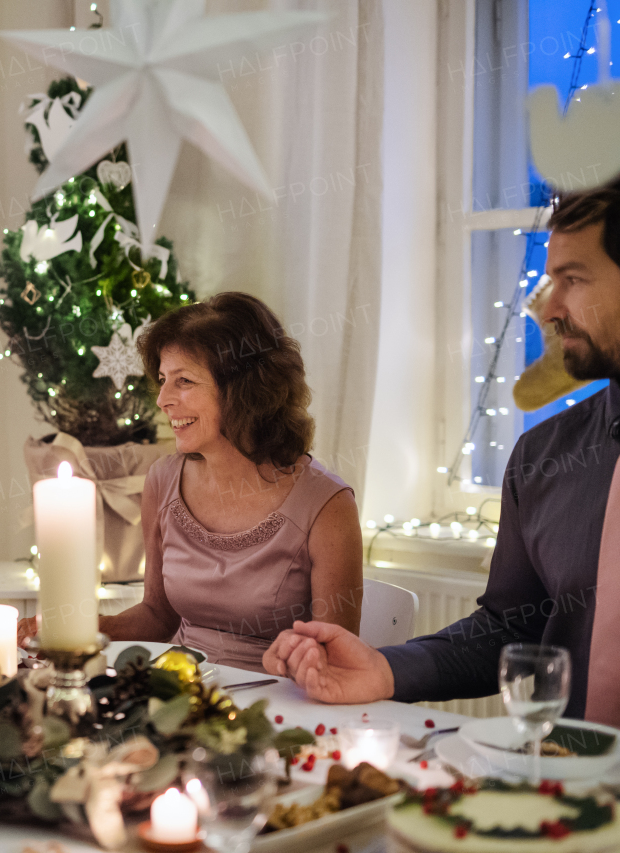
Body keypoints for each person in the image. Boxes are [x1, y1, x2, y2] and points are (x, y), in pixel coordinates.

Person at [263, 180, 620, 724]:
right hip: (572, 792)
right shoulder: (542, 458)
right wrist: (386, 671)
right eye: (551, 281)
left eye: (571, 280)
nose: (550, 309)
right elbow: (508, 627)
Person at [21, 293, 364, 672]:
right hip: (177, 693)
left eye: (183, 381)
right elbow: (157, 616)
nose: (164, 399)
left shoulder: (326, 504)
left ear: (245, 391)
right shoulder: (163, 479)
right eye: (164, 380)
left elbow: (334, 660)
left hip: (277, 707)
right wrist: (77, 631)